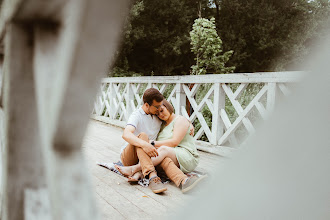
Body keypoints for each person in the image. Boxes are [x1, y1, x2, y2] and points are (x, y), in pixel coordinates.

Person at [116, 99, 205, 193]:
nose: (161, 115)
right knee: (163, 158)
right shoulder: (162, 125)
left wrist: (151, 143)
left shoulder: (180, 120)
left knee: (163, 150)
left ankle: (135, 169)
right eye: (157, 114)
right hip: (172, 156)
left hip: (187, 155)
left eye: (162, 110)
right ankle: (183, 181)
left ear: (168, 106)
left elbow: (174, 142)